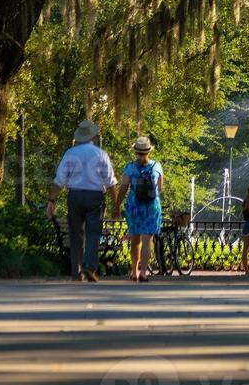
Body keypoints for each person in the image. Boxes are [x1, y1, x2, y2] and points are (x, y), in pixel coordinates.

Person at [45, 120, 117, 282]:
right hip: (95, 197)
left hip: (75, 196)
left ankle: (76, 271)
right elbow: (111, 182)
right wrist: (115, 205)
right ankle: (89, 267)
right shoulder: (101, 154)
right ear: (93, 136)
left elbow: (59, 180)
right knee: (93, 233)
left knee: (75, 234)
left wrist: (51, 201)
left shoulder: (70, 153)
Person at [115, 137, 163, 283]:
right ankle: (143, 273)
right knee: (147, 239)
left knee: (135, 239)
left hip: (134, 206)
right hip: (151, 206)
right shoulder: (157, 166)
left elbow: (123, 189)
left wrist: (116, 206)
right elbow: (160, 189)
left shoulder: (129, 168)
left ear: (136, 152)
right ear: (149, 151)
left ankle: (134, 272)